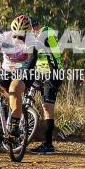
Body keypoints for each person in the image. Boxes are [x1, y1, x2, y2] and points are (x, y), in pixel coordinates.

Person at [31, 19, 63, 154]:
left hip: (53, 72)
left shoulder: (46, 31)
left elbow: (36, 45)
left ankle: (48, 144)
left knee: (47, 107)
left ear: (35, 26)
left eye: (31, 29)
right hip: (40, 73)